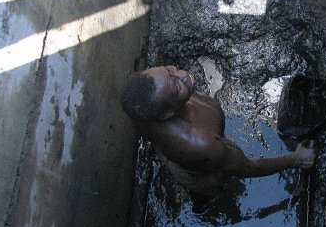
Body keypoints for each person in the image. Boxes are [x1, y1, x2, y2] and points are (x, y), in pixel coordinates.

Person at [120, 65, 315, 195]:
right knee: (223, 190)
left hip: (177, 151)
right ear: (166, 114)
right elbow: (248, 168)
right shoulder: (203, 144)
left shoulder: (138, 101)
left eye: (170, 70)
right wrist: (295, 159)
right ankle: (202, 202)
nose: (183, 75)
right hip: (199, 167)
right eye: (176, 86)